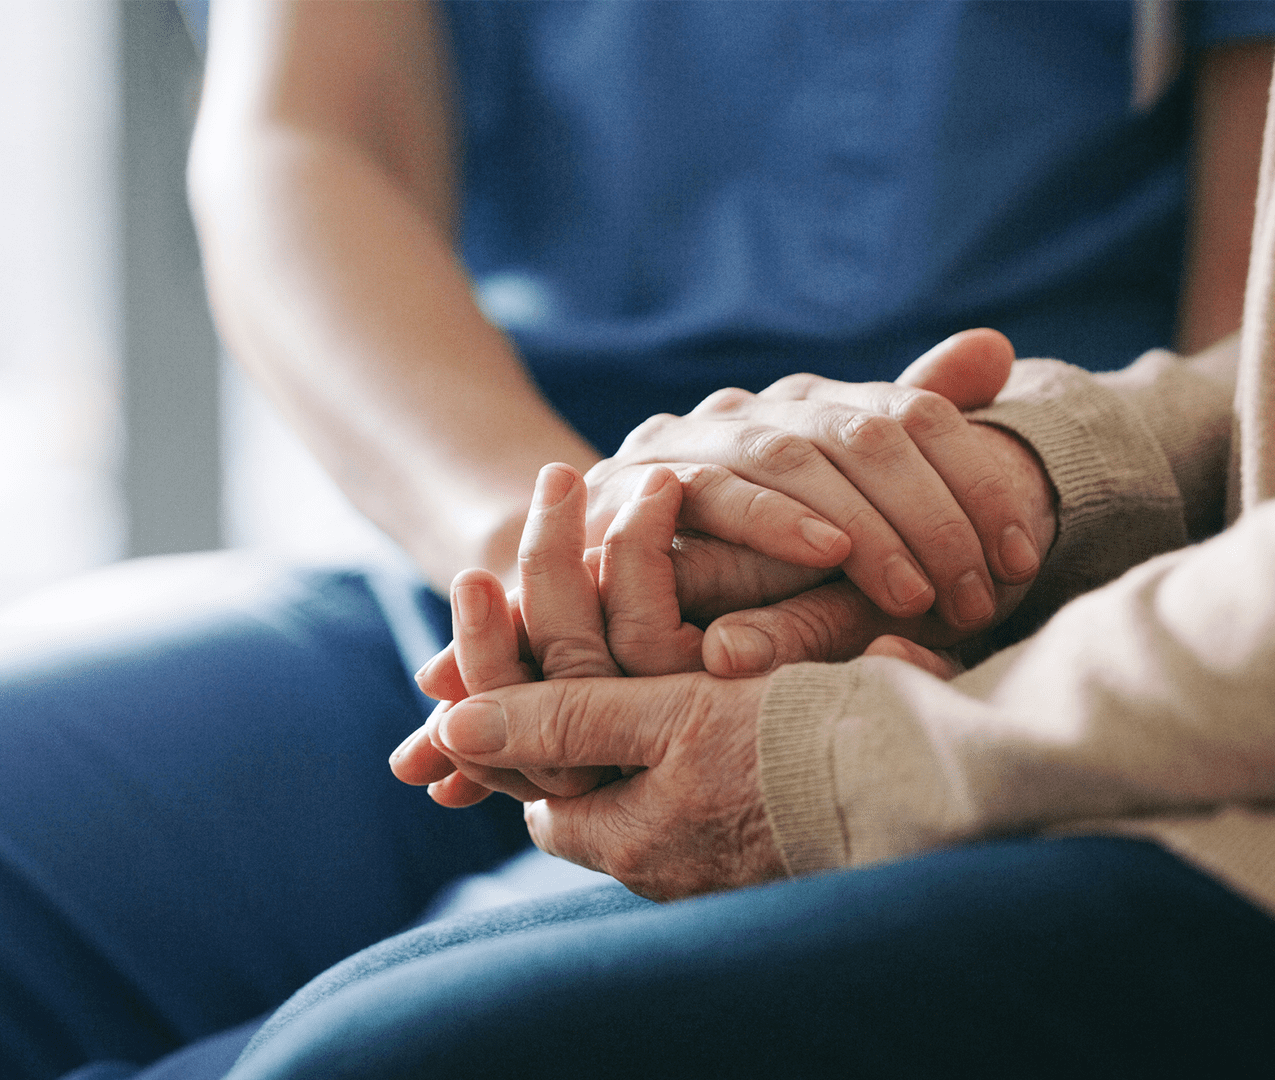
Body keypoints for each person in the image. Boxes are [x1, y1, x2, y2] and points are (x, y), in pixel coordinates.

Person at [5, 2, 1275, 1078]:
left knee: (345, 1051)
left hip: (988, 617)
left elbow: (1244, 373)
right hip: (474, 558)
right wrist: (547, 558)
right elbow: (302, 138)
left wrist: (987, 514)